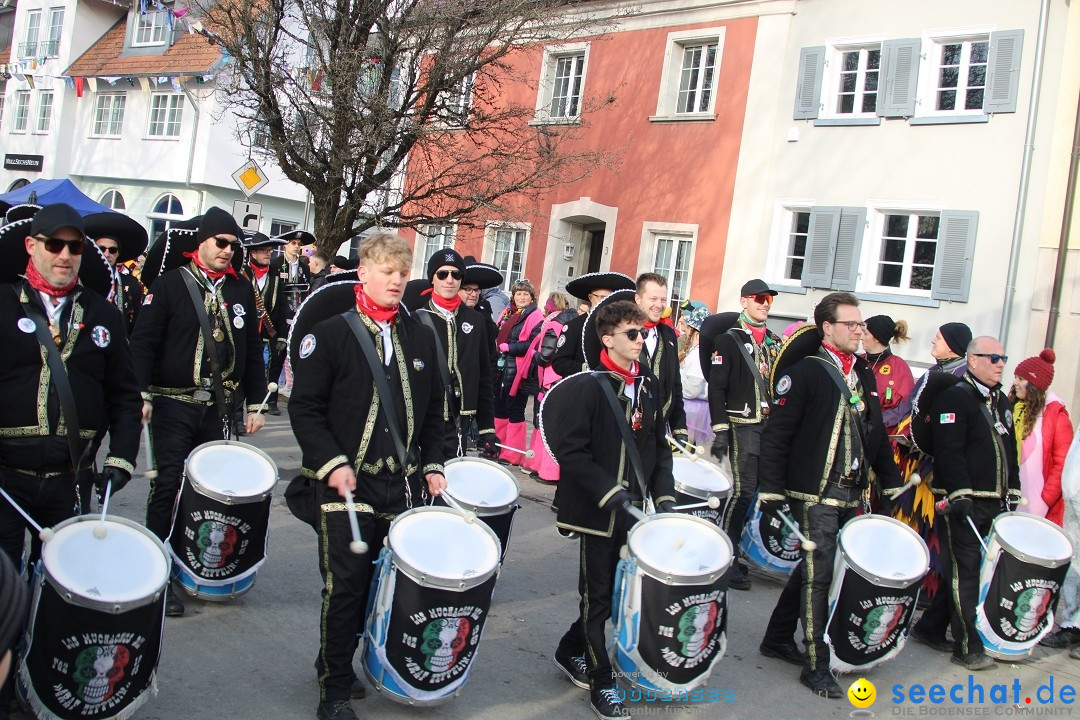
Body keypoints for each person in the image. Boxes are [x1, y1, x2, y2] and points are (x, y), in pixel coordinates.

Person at [288, 233, 447, 720]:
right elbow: (306, 408)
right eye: (386, 271)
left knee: (381, 584)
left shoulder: (422, 334)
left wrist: (434, 464)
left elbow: (435, 411)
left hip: (398, 483)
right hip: (344, 482)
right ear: (363, 272)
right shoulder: (332, 333)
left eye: (402, 272)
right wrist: (331, 461)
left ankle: (335, 657)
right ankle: (334, 689)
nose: (396, 280)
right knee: (346, 585)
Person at [0, 205, 141, 714]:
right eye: (54, 245)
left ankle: (36, 686)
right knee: (3, 591)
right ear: (31, 246)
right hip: (5, 478)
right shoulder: (2, 303)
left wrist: (122, 456)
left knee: (59, 592)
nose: (64, 256)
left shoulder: (102, 313)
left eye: (75, 247)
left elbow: (124, 393)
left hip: (70, 479)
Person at [757, 292, 902, 698]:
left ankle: (776, 637)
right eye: (852, 325)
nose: (860, 331)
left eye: (861, 325)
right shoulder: (805, 373)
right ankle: (816, 663)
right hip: (812, 492)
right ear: (828, 328)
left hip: (850, 491)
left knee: (814, 569)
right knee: (819, 575)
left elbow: (876, 435)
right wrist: (770, 489)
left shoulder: (864, 373)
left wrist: (890, 480)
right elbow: (777, 436)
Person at [129, 207, 268, 617]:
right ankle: (158, 574)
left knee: (209, 491)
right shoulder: (170, 284)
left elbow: (250, 352)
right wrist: (140, 393)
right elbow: (144, 342)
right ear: (201, 244)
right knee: (169, 485)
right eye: (220, 243)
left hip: (220, 407)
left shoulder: (241, 290)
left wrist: (256, 402)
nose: (228, 251)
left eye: (233, 245)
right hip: (173, 402)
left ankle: (194, 565)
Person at [541, 299, 676, 720]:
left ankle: (569, 649)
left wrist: (666, 496)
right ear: (607, 339)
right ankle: (603, 681)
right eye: (632, 334)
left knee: (618, 596)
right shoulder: (588, 387)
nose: (641, 340)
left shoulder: (648, 385)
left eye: (644, 333)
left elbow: (659, 445)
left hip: (635, 509)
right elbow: (572, 452)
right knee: (597, 597)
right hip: (597, 512)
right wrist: (607, 491)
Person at [911, 337, 1019, 671]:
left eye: (1003, 357)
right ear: (972, 360)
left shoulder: (1000, 399)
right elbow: (949, 450)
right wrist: (959, 494)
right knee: (967, 571)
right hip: (962, 501)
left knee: (969, 570)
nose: (1001, 363)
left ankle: (929, 628)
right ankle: (968, 646)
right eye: (994, 357)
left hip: (993, 500)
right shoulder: (953, 398)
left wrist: (1013, 487)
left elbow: (1009, 449)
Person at [707, 279, 782, 591]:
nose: (764, 304)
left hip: (770, 424)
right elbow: (717, 386)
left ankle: (744, 548)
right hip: (743, 422)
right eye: (759, 298)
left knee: (764, 490)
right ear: (744, 301)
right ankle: (726, 555)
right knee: (744, 490)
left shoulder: (775, 342)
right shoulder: (729, 340)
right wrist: (721, 430)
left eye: (768, 300)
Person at [414, 248, 497, 458]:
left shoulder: (475, 320)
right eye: (442, 274)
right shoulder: (415, 319)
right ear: (432, 279)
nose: (449, 280)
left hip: (459, 420)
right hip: (424, 419)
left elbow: (484, 375)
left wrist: (487, 429)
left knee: (452, 483)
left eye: (456, 274)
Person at [523, 291, 577, 482]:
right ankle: (543, 466)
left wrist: (534, 356)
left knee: (547, 422)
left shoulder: (553, 324)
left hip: (551, 378)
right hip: (564, 379)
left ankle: (548, 470)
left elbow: (546, 354)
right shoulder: (573, 320)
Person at [494, 279, 542, 465]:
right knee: (499, 408)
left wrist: (510, 347)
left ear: (531, 298)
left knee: (515, 410)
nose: (521, 297)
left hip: (519, 370)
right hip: (501, 368)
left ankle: (513, 453)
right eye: (518, 293)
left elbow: (533, 342)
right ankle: (498, 447)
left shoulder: (535, 315)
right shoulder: (508, 313)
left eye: (525, 294)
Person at [551, 272, 636, 378]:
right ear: (590, 298)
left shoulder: (619, 326)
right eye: (601, 297)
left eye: (609, 298)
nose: (605, 302)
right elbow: (559, 363)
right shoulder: (574, 326)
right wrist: (586, 368)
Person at [635, 273, 688, 443]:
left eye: (663, 300)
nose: (659, 305)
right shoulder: (623, 332)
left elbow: (675, 386)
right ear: (638, 299)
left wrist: (679, 428)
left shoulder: (669, 334)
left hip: (659, 431)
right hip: (628, 431)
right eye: (653, 299)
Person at [242, 233, 288, 415]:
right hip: (246, 332)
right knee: (242, 373)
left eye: (270, 250)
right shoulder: (242, 274)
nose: (269, 254)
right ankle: (237, 414)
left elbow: (282, 307)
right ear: (253, 253)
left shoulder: (275, 276)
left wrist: (282, 334)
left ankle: (267, 403)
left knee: (268, 370)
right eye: (264, 250)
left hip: (267, 333)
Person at [85, 211, 148, 335]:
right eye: (101, 249)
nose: (107, 254)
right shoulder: (81, 281)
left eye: (113, 250)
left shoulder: (131, 285)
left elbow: (136, 326)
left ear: (118, 253)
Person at [861, 315, 914, 435]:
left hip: (883, 436)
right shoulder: (857, 360)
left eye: (865, 333)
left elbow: (904, 407)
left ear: (877, 338)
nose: (861, 337)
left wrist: (873, 423)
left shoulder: (899, 367)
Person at [677, 300, 711, 447]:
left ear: (693, 330)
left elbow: (693, 388)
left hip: (691, 407)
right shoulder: (695, 351)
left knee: (684, 448)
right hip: (690, 405)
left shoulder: (698, 354)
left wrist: (675, 386)